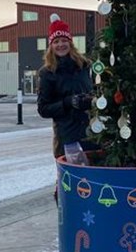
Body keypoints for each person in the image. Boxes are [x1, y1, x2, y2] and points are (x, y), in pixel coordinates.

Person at [37, 14, 98, 201]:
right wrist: (67, 102)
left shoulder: (85, 66)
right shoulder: (47, 73)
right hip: (68, 137)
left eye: (64, 40)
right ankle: (69, 221)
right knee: (72, 184)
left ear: (70, 42)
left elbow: (97, 90)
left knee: (95, 182)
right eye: (56, 41)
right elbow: (43, 109)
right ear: (51, 45)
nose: (60, 45)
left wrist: (92, 100)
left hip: (93, 132)